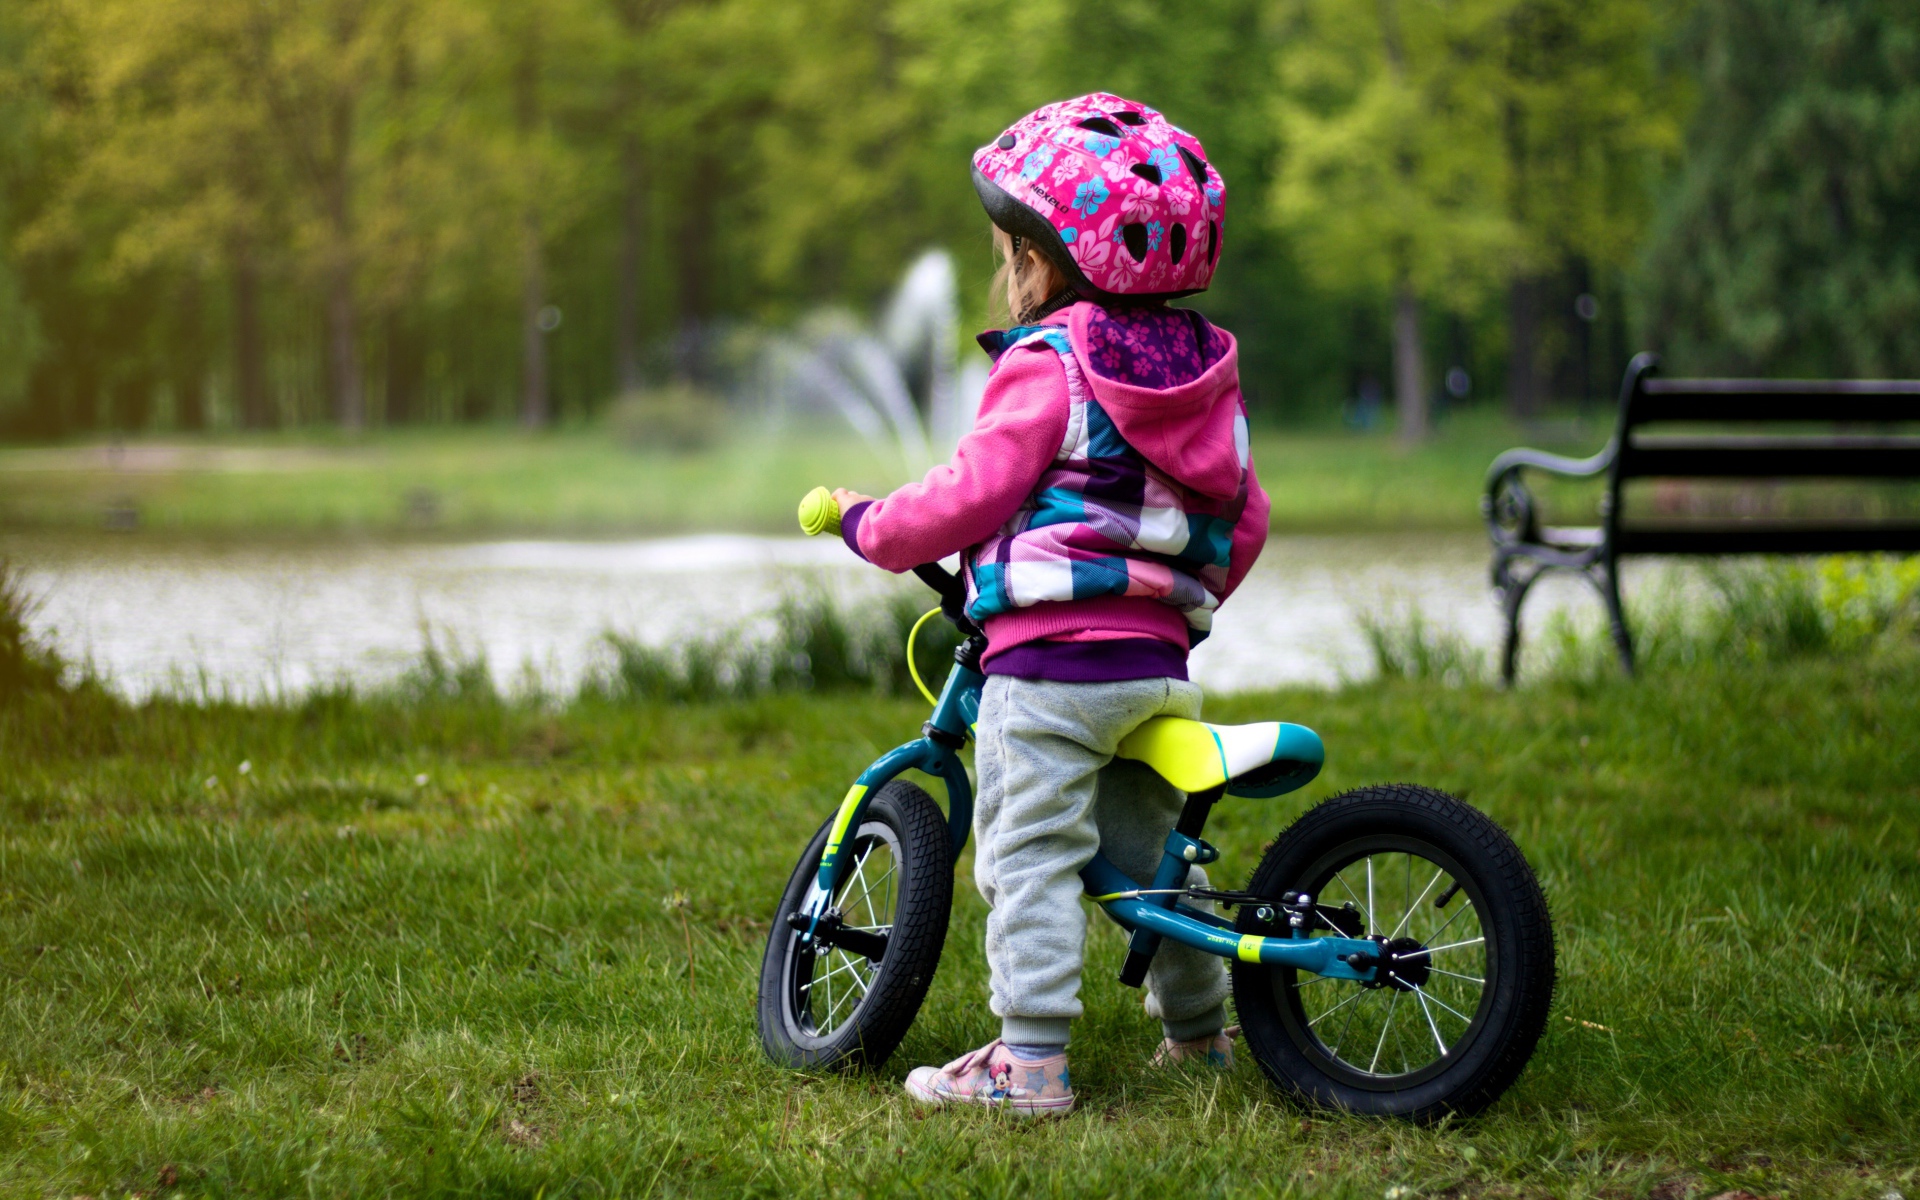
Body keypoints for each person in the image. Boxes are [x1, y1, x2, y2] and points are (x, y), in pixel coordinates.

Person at [829, 93, 1268, 1118]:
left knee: (1026, 860)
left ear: (1040, 258)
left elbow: (973, 490)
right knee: (1150, 865)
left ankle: (1029, 1067)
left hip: (1048, 672)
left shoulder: (1051, 365)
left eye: (1013, 250)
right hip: (1155, 671)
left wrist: (874, 526)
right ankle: (1199, 1037)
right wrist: (1180, 605)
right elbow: (1243, 520)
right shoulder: (1208, 374)